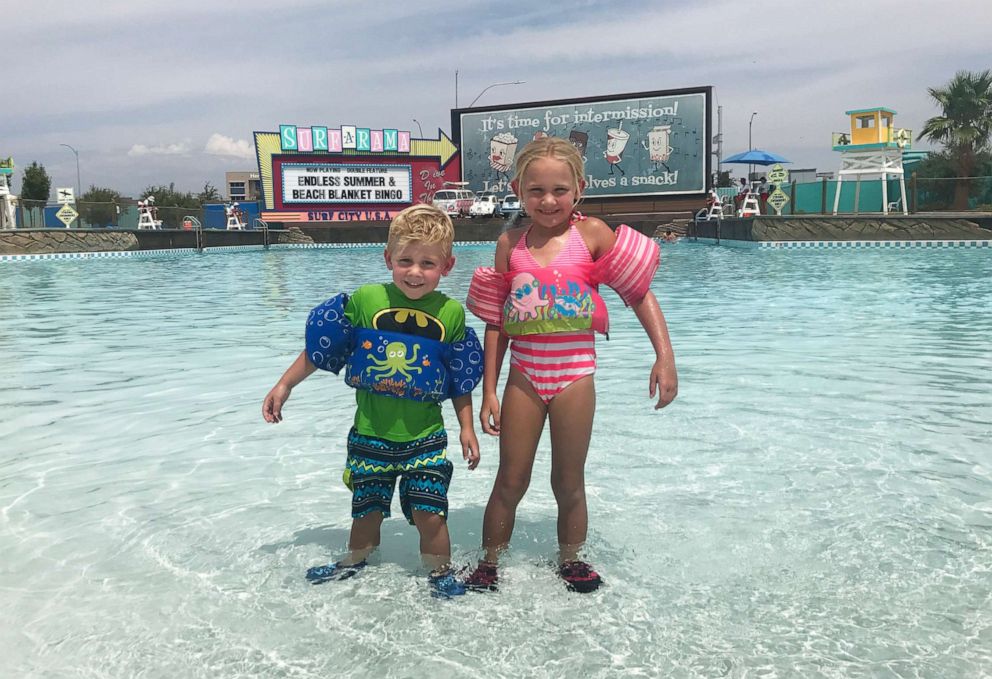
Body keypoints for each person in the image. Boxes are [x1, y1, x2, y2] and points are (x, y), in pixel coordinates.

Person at [463, 137, 678, 593]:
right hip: (524, 375)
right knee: (510, 479)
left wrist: (664, 356)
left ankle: (571, 560)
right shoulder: (509, 243)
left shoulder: (593, 234)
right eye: (536, 190)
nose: (548, 200)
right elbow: (497, 324)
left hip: (574, 375)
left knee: (568, 479)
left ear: (578, 188)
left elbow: (637, 292)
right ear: (519, 190)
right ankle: (489, 561)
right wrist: (489, 391)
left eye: (560, 190)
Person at [262, 204, 484, 598]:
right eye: (405, 261)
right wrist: (285, 385)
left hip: (426, 436)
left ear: (446, 266)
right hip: (370, 434)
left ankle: (440, 573)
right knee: (366, 512)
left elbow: (457, 377)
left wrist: (466, 426)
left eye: (428, 264)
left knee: (431, 514)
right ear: (388, 259)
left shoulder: (449, 313)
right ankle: (354, 561)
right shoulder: (366, 300)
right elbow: (322, 347)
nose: (415, 272)